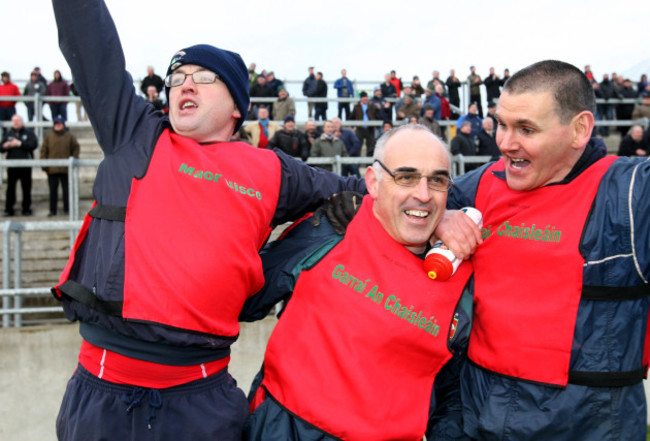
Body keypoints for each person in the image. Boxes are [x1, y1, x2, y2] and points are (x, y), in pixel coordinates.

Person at [50, 1, 366, 440]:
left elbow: (364, 189)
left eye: (201, 77)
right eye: (175, 79)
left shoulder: (272, 171)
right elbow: (89, 39)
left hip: (201, 400)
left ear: (237, 105)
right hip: (103, 395)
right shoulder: (135, 133)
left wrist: (441, 209)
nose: (183, 85)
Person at [436, 59, 650, 440]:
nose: (504, 142)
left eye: (526, 129)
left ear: (579, 129)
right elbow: (392, 198)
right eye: (501, 124)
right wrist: (437, 214)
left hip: (588, 421)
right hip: (479, 411)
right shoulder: (482, 184)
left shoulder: (631, 193)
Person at [241, 124, 473, 441]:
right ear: (373, 182)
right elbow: (245, 300)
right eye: (405, 177)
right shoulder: (332, 227)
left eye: (437, 180)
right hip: (281, 429)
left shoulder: (462, 276)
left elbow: (452, 398)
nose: (423, 194)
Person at [39, 117, 81, 216]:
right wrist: (44, 165)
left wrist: (73, 161)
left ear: (63, 125)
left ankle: (67, 209)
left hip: (66, 170)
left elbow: (76, 148)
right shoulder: (48, 137)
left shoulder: (70, 136)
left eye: (60, 123)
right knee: (53, 192)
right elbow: (43, 151)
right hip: (52, 170)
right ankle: (52, 210)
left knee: (67, 191)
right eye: (56, 124)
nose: (58, 125)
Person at [1, 114, 38, 216]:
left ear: (22, 121)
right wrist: (6, 145)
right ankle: (9, 209)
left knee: (26, 187)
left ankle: (26, 208)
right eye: (14, 121)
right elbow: (1, 147)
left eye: (18, 121)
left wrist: (19, 143)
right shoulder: (9, 133)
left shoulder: (28, 133)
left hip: (25, 165)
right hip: (12, 166)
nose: (16, 123)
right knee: (10, 188)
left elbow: (33, 144)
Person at [351, 91, 377, 157]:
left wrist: (375, 124)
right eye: (363, 97)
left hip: (370, 128)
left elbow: (376, 115)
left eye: (366, 97)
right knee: (358, 145)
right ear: (361, 98)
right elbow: (351, 117)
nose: (365, 99)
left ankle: (368, 164)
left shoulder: (371, 106)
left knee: (370, 146)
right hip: (360, 128)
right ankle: (358, 163)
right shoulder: (356, 106)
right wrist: (353, 126)